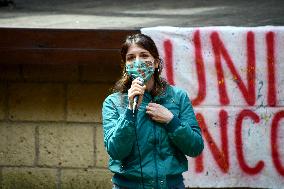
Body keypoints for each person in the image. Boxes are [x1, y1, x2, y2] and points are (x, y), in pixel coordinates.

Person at [102, 33, 204, 189]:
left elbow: (195, 147)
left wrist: (171, 121)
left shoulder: (178, 97)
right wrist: (130, 111)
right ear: (126, 66)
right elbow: (116, 151)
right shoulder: (114, 103)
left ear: (156, 62)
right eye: (131, 58)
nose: (138, 62)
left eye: (144, 55)